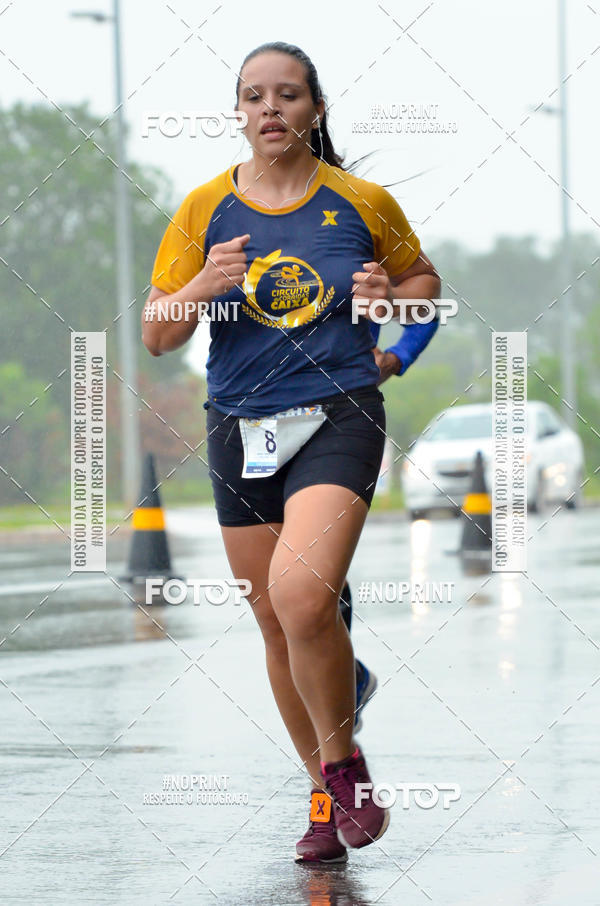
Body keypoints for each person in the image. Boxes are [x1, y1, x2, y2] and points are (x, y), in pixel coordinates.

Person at [142, 41, 441, 864]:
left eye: (287, 95)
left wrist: (392, 313)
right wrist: (203, 286)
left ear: (314, 109)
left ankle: (345, 768)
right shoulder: (204, 210)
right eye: (253, 97)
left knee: (304, 597)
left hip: (339, 410)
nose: (269, 108)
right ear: (239, 113)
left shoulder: (361, 201)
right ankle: (322, 798)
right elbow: (159, 335)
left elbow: (424, 288)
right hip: (239, 422)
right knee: (277, 622)